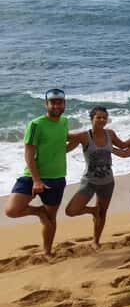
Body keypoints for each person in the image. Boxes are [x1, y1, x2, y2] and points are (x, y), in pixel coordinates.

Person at [64, 106, 130, 248]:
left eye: (104, 117)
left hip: (107, 182)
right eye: (98, 117)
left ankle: (96, 241)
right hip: (89, 181)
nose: (102, 120)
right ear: (91, 119)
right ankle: (93, 211)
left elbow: (124, 145)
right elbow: (65, 142)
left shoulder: (110, 134)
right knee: (71, 211)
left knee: (103, 213)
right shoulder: (84, 136)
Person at [4, 88, 69, 257]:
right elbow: (28, 153)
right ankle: (38, 211)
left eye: (59, 102)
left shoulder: (64, 122)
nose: (56, 105)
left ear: (64, 104)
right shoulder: (35, 124)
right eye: (52, 102)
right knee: (12, 210)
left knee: (51, 219)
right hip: (32, 177)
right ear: (46, 104)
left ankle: (47, 252)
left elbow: (61, 143)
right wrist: (36, 180)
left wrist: (81, 140)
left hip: (57, 178)